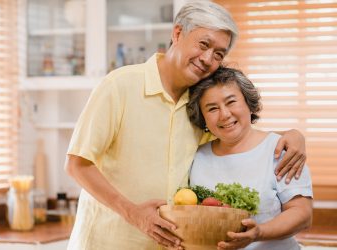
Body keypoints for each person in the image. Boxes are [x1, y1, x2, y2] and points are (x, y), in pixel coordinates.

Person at [64, 1, 307, 249]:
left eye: (218, 54)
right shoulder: (119, 86)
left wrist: (291, 135)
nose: (207, 59)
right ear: (177, 33)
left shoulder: (200, 106)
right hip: (107, 242)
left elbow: (236, 132)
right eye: (204, 44)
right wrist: (134, 214)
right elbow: (77, 164)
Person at [187, 67, 313, 250]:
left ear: (248, 103)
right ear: (203, 118)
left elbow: (302, 213)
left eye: (231, 102)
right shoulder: (196, 156)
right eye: (212, 108)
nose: (224, 114)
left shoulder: (280, 149)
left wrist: (258, 232)